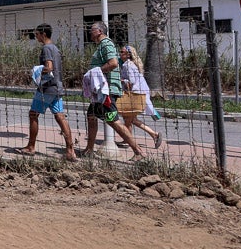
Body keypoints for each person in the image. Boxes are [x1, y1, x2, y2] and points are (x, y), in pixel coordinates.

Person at [81, 21, 145, 157]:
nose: (90, 32)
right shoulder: (101, 46)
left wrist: (95, 72)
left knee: (113, 121)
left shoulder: (106, 44)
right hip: (99, 92)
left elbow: (113, 63)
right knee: (91, 117)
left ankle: (138, 151)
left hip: (107, 92)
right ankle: (89, 150)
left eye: (92, 30)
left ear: (99, 31)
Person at [16, 23, 76, 158]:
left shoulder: (46, 48)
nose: (36, 37)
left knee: (33, 114)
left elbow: (49, 67)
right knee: (60, 117)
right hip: (57, 86)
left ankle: (31, 147)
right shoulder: (56, 48)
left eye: (37, 34)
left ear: (43, 34)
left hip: (47, 88)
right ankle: (70, 150)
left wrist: (36, 70)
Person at [120, 44, 164, 149]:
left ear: (128, 54)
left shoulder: (127, 65)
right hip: (140, 92)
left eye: (122, 52)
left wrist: (120, 80)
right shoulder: (132, 64)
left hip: (134, 94)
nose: (120, 54)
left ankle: (154, 134)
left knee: (129, 118)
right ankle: (129, 139)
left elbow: (131, 81)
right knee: (129, 119)